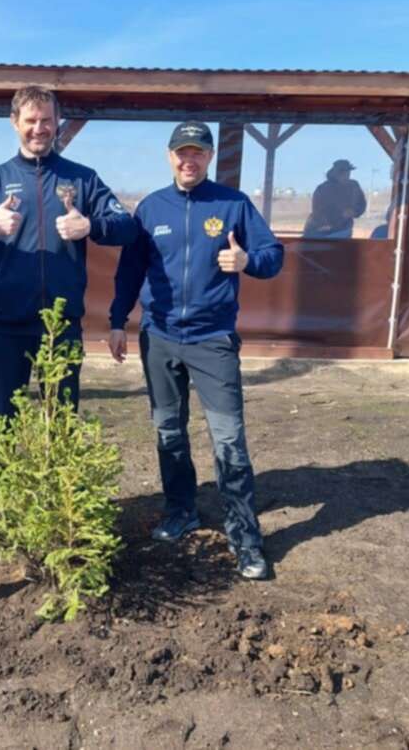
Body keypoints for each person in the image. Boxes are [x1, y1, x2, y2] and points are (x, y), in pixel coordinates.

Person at [0, 85, 137, 496]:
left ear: (57, 122)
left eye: (47, 120)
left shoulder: (82, 180)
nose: (39, 129)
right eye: (30, 121)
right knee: (2, 414)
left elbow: (126, 227)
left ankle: (56, 495)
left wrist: (91, 226)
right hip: (8, 323)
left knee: (60, 413)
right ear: (15, 124)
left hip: (61, 325)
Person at [108, 121, 284, 580]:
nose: (190, 160)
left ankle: (245, 537)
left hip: (213, 340)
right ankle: (180, 510)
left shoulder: (233, 205)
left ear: (208, 158)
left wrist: (247, 260)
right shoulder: (150, 208)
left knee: (229, 439)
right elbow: (129, 272)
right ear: (170, 157)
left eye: (198, 153)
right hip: (159, 337)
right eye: (182, 152)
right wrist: (116, 321)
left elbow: (273, 254)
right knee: (168, 430)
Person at [303, 159, 366, 239]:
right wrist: (336, 217)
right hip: (318, 231)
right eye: (342, 172)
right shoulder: (323, 189)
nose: (346, 174)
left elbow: (361, 204)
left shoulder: (354, 186)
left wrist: (354, 212)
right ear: (335, 173)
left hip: (343, 230)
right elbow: (318, 211)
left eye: (348, 172)